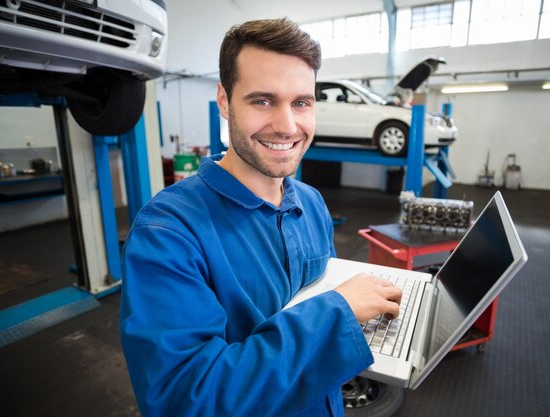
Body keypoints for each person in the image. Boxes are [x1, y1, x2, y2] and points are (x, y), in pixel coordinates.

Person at [120, 18, 402, 417]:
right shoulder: (168, 233)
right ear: (224, 101)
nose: (287, 126)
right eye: (263, 100)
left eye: (301, 102)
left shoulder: (311, 203)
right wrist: (337, 313)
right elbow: (185, 400)